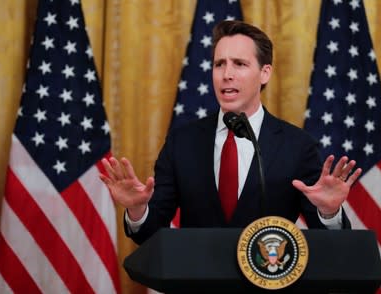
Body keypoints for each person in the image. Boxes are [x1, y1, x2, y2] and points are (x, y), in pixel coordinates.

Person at [99, 20, 362, 245]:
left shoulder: (298, 146)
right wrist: (137, 209)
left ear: (264, 73)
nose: (226, 74)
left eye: (239, 64)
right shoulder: (183, 142)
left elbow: (328, 240)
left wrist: (329, 212)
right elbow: (150, 232)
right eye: (219, 64)